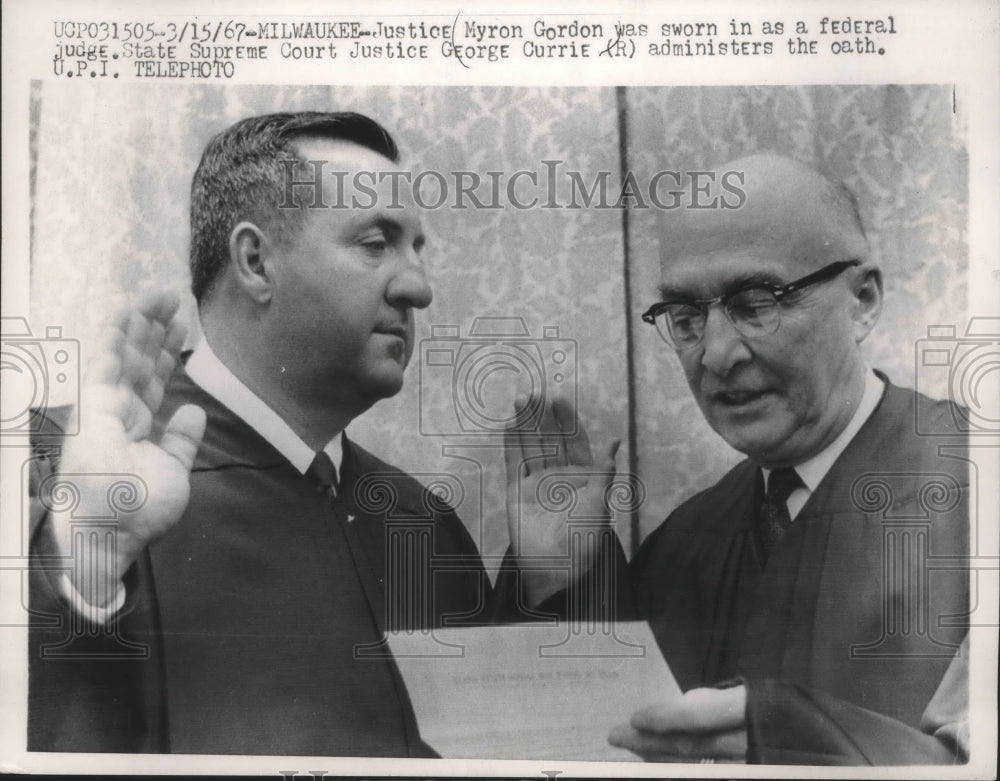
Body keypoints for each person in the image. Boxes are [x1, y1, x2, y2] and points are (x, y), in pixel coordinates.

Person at [28, 111, 608, 756]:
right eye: (375, 243)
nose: (419, 287)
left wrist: (548, 587)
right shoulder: (59, 467)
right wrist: (85, 564)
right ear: (256, 261)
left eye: (418, 248)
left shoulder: (421, 520)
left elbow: (487, 752)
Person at [598, 154, 970, 764]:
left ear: (863, 301)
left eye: (756, 302)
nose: (716, 355)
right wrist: (561, 573)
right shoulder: (685, 542)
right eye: (687, 318)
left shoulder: (977, 489)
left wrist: (796, 733)